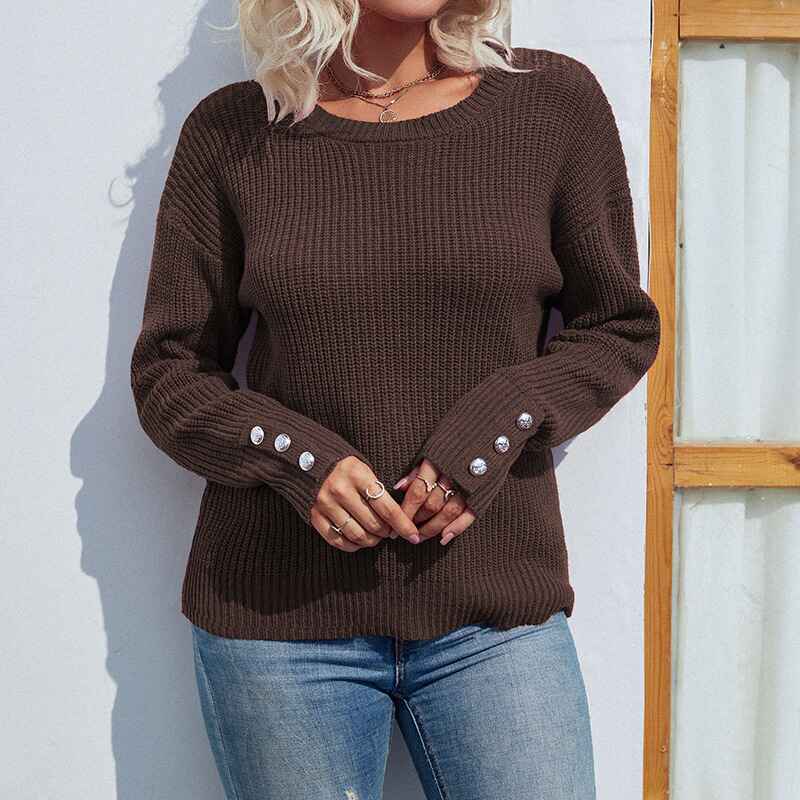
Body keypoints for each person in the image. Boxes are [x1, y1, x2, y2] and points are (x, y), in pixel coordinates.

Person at [130, 1, 661, 797]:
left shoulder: (551, 104)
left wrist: (501, 420)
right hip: (280, 626)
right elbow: (168, 370)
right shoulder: (236, 132)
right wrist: (299, 461)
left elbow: (618, 325)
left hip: (492, 614)